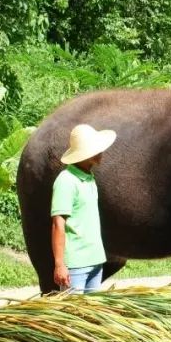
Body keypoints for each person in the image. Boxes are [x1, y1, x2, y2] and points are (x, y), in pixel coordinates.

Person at [51, 123, 116, 293]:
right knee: (72, 317)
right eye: (95, 149)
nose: (101, 152)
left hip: (95, 261)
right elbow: (58, 224)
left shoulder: (89, 178)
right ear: (84, 154)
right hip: (76, 266)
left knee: (90, 318)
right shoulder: (66, 181)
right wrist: (59, 264)